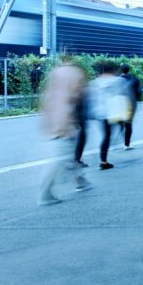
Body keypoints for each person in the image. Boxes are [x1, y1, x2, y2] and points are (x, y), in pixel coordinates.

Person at [38, 57, 91, 205]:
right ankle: (44, 194)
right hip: (66, 119)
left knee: (68, 152)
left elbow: (47, 98)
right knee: (59, 157)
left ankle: (80, 180)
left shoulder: (55, 73)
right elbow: (81, 96)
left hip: (54, 117)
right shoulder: (75, 73)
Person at [86, 59, 126, 170]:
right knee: (114, 131)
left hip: (100, 113)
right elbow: (121, 96)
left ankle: (103, 161)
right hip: (113, 112)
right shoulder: (118, 81)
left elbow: (91, 98)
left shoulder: (95, 82)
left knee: (106, 136)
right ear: (112, 69)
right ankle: (118, 143)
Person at [118, 63, 142, 150]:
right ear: (129, 70)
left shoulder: (117, 80)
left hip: (119, 103)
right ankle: (127, 144)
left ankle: (120, 130)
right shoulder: (134, 79)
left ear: (120, 71)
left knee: (120, 121)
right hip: (131, 104)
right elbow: (139, 92)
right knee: (128, 124)